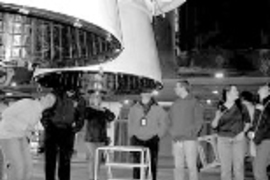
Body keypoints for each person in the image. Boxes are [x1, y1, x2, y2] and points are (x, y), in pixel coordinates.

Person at [0, 93, 56, 180]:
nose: (50, 101)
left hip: (20, 136)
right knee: (18, 166)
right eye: (48, 98)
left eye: (52, 101)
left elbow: (25, 127)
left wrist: (29, 133)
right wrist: (25, 126)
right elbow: (6, 114)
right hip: (8, 135)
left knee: (28, 166)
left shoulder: (39, 114)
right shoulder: (27, 103)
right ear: (42, 97)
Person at [41, 89, 86, 180]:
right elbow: (45, 111)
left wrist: (75, 128)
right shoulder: (54, 95)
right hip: (52, 129)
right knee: (50, 159)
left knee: (65, 160)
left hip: (67, 130)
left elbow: (81, 114)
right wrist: (48, 126)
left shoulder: (79, 99)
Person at [211, 85, 250, 180]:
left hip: (239, 139)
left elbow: (248, 123)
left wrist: (242, 133)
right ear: (228, 93)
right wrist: (217, 117)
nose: (237, 92)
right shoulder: (220, 107)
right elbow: (214, 126)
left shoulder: (242, 106)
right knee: (225, 169)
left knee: (239, 168)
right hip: (223, 140)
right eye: (235, 90)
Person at [167, 80, 203, 180]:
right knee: (178, 167)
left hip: (190, 140)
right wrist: (172, 132)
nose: (175, 89)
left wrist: (191, 134)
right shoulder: (175, 104)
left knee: (192, 167)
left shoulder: (194, 102)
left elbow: (199, 121)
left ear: (183, 87)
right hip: (176, 140)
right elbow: (169, 120)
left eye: (176, 87)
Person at [128, 91, 167, 180]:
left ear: (151, 94)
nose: (145, 94)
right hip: (137, 139)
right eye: (144, 92)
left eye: (148, 92)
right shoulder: (133, 109)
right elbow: (130, 123)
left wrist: (158, 136)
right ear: (141, 94)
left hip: (152, 140)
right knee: (137, 165)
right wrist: (132, 135)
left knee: (152, 165)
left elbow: (164, 123)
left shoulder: (158, 109)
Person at [84, 93, 115, 180]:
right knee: (94, 158)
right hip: (91, 138)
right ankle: (92, 177)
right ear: (92, 99)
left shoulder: (104, 110)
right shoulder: (88, 109)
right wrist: (97, 109)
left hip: (101, 138)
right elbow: (86, 115)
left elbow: (111, 117)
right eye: (96, 98)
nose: (98, 99)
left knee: (97, 159)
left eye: (99, 98)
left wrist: (103, 110)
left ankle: (95, 176)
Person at [248, 83, 270, 180]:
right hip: (259, 139)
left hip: (266, 139)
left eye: (263, 87)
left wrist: (263, 112)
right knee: (258, 169)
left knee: (258, 171)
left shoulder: (267, 105)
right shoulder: (261, 104)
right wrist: (249, 132)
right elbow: (256, 124)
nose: (259, 88)